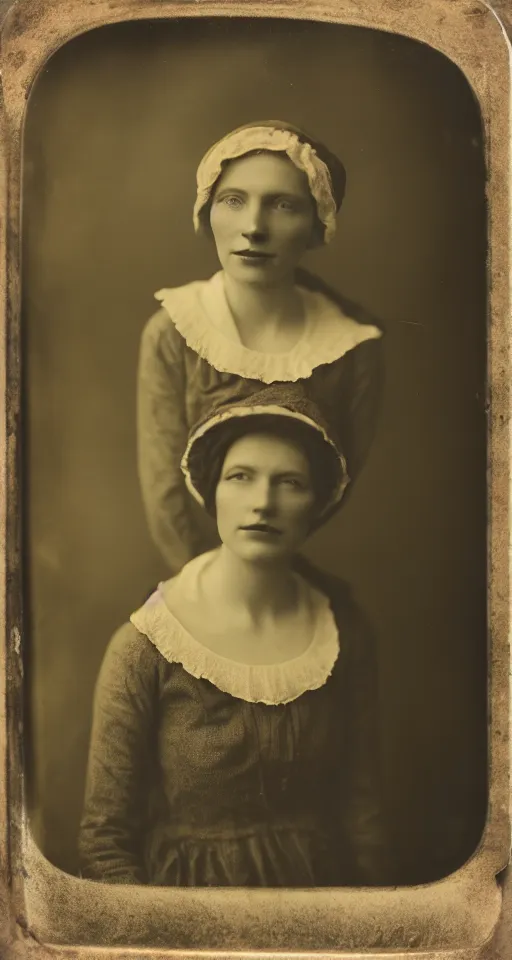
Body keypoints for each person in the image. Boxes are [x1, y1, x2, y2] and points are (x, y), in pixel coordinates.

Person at [79, 390, 391, 887]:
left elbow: (364, 817)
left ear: (317, 503)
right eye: (240, 477)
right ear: (213, 492)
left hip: (323, 909)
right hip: (186, 919)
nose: (263, 503)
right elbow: (104, 841)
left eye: (289, 483)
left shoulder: (342, 635)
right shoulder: (147, 645)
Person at [138, 120, 384, 572]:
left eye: (283, 205)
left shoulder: (352, 349)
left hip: (294, 574)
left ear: (316, 224)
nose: (253, 227)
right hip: (194, 578)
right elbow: (164, 491)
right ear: (207, 211)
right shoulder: (172, 333)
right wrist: (207, 591)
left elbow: (332, 490)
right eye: (233, 201)